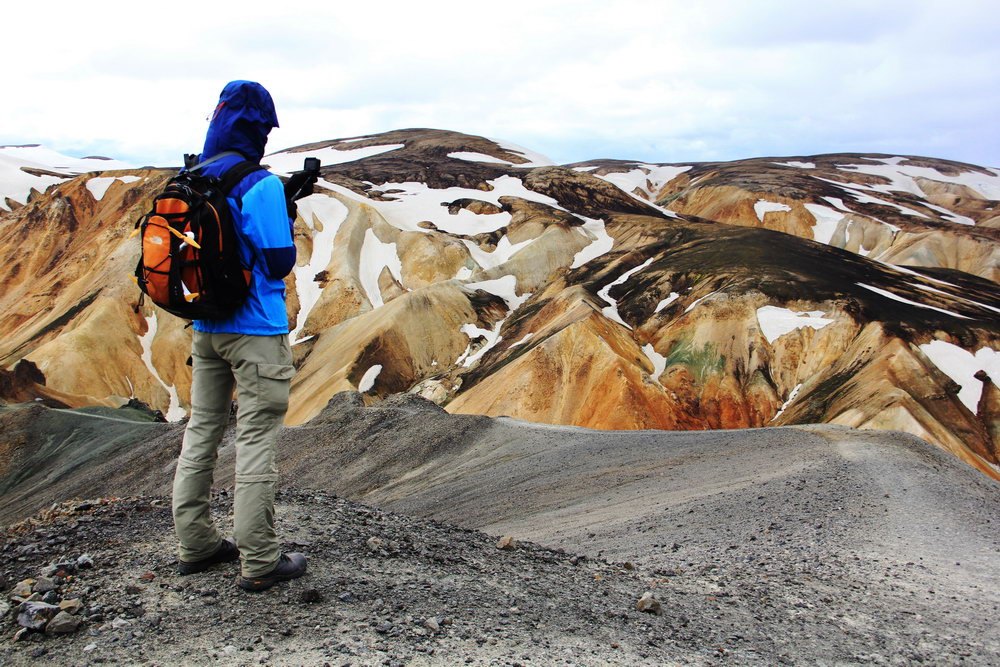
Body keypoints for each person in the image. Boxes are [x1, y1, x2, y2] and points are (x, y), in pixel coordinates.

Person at [171, 80, 314, 592]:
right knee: (256, 440)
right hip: (254, 330)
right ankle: (260, 559)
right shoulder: (260, 185)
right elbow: (278, 259)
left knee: (202, 432)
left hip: (205, 327)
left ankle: (198, 545)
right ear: (258, 128)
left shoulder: (193, 176)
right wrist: (286, 217)